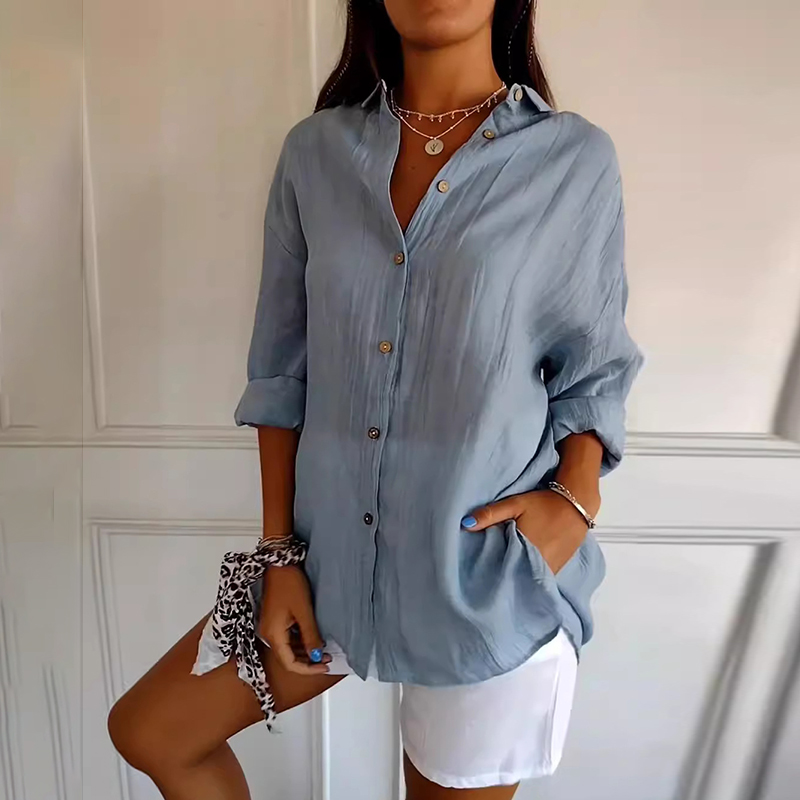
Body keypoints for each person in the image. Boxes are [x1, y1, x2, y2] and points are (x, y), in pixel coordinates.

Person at [107, 0, 644, 797]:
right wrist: (278, 554)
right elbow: (281, 371)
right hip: (326, 564)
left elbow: (592, 366)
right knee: (154, 731)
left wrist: (575, 498)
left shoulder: (571, 160)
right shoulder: (316, 154)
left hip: (486, 577)